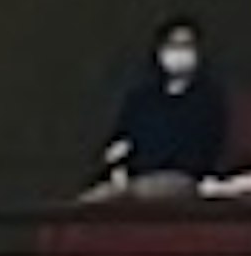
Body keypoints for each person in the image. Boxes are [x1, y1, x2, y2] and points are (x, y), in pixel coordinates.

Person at [90, 19, 227, 198]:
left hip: (183, 178)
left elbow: (202, 153)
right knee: (88, 205)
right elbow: (121, 141)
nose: (178, 52)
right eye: (172, 45)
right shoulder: (141, 99)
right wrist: (118, 167)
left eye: (185, 46)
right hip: (131, 179)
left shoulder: (208, 100)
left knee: (138, 192)